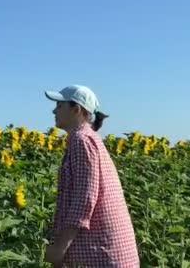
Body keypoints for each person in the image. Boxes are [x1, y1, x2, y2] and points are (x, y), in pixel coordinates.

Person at [43, 84, 140, 267]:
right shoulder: (88, 138)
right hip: (107, 250)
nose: (54, 110)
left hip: (99, 254)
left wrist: (60, 248)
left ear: (76, 109)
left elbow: (84, 198)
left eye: (59, 105)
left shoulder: (81, 140)